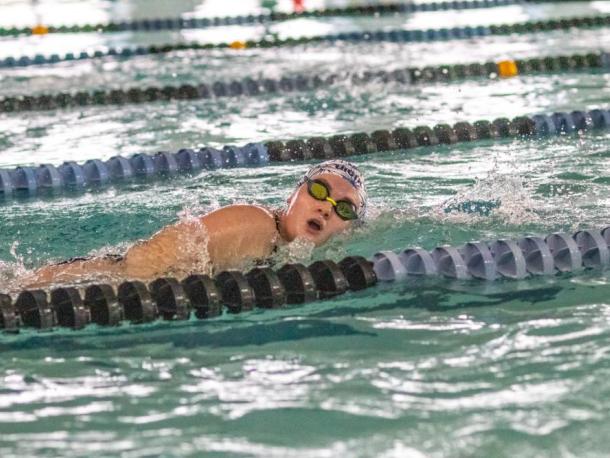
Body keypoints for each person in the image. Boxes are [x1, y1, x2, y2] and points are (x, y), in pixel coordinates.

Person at [19, 159, 367, 289]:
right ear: (292, 196)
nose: (326, 208)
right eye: (319, 189)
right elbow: (140, 262)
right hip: (95, 280)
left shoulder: (284, 245)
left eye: (345, 209)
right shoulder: (254, 224)